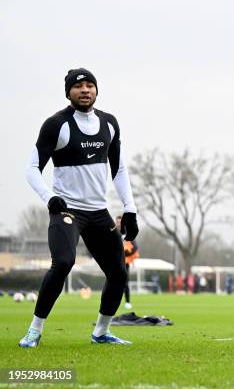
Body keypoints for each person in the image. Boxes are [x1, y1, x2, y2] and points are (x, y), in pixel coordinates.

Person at [19, 68, 139, 348]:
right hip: (67, 209)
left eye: (90, 85)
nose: (85, 90)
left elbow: (118, 169)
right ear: (68, 92)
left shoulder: (109, 123)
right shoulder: (56, 124)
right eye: (78, 86)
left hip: (98, 212)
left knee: (118, 272)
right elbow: (32, 169)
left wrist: (130, 208)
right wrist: (50, 197)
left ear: (96, 90)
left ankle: (101, 332)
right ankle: (34, 331)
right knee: (63, 263)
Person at [115, 215, 140, 310]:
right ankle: (113, 302)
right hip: (114, 262)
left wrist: (126, 252)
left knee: (125, 282)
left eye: (120, 221)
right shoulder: (113, 232)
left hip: (125, 262)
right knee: (113, 282)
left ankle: (127, 302)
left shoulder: (128, 234)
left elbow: (135, 247)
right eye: (117, 221)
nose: (118, 223)